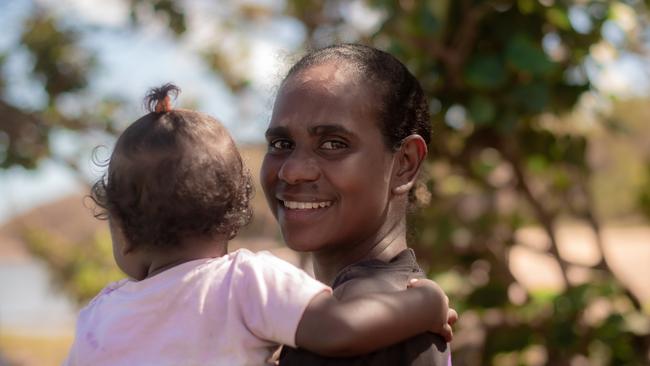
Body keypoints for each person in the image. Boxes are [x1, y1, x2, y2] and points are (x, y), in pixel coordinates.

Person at [64, 84, 454, 366]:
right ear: (232, 214)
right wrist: (427, 303)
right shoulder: (246, 281)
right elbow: (341, 328)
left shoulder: (98, 316)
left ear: (119, 225)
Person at [261, 44, 454, 365]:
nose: (292, 171)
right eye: (282, 144)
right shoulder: (400, 312)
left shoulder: (355, 334)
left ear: (405, 163)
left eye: (334, 144)